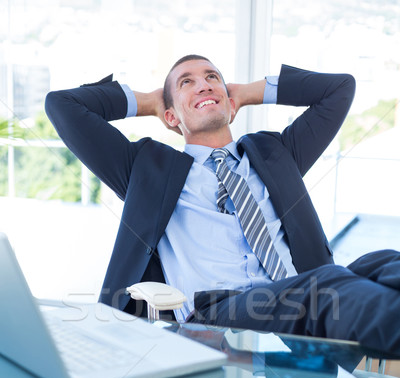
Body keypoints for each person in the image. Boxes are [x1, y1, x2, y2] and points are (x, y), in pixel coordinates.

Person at [45, 55, 400, 355]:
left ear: (231, 104)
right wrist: (152, 102)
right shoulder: (147, 169)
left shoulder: (276, 153)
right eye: (187, 82)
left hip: (300, 295)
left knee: (383, 262)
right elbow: (62, 105)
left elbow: (339, 89)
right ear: (170, 116)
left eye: (213, 77)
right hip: (216, 313)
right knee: (328, 286)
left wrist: (243, 93)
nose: (204, 84)